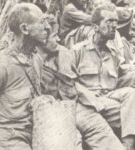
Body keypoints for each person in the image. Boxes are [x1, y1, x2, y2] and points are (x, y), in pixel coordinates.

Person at [36, 8, 126, 150]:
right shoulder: (27, 63)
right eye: (54, 36)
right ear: (40, 38)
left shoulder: (63, 54)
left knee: (105, 136)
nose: (59, 39)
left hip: (79, 106)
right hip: (53, 112)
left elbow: (70, 88)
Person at [0, 3, 50, 150]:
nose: (47, 27)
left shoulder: (36, 60)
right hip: (5, 141)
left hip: (33, 136)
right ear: (25, 29)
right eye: (41, 22)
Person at [72, 3, 135, 150]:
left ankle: (127, 145)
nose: (114, 26)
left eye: (116, 21)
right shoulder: (78, 51)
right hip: (86, 105)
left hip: (108, 100)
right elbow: (69, 83)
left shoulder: (113, 53)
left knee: (132, 94)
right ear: (95, 27)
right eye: (109, 21)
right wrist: (91, 99)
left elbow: (122, 77)